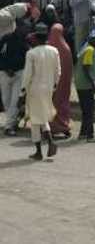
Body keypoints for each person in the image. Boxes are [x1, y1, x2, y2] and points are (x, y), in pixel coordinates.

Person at [21, 24, 61, 160]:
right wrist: (54, 86)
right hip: (48, 89)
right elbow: (58, 72)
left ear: (36, 38)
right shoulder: (54, 51)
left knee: (35, 120)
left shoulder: (31, 53)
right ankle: (50, 143)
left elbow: (27, 75)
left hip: (34, 90)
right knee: (42, 117)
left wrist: (22, 92)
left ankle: (40, 150)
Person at [0, 19, 29, 136]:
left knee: (15, 100)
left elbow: (27, 58)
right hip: (4, 73)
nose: (25, 30)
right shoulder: (5, 39)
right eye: (24, 27)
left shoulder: (25, 41)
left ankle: (9, 127)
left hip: (19, 74)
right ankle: (12, 122)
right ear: (18, 27)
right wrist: (6, 68)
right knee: (6, 100)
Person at [47, 23, 72, 139]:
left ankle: (51, 127)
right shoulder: (66, 48)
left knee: (51, 103)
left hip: (51, 82)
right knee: (62, 102)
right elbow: (69, 68)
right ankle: (63, 126)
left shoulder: (48, 47)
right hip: (64, 83)